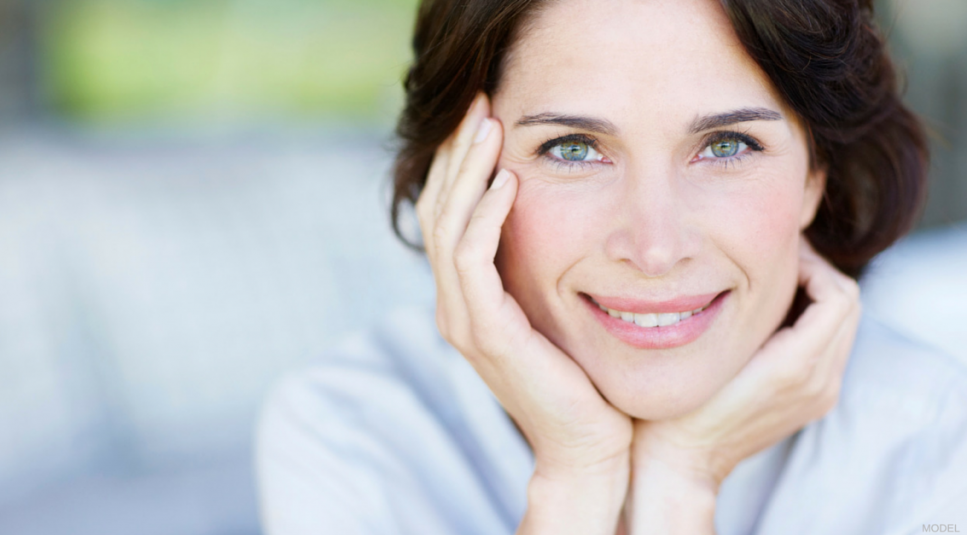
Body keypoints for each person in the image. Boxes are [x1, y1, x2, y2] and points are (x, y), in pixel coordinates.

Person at [256, 0, 967, 533]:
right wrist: (574, 479)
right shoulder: (351, 433)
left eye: (726, 145)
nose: (655, 248)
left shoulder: (937, 444)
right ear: (459, 175)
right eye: (572, 148)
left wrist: (679, 483)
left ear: (816, 174)